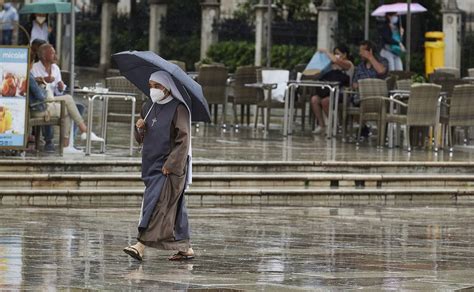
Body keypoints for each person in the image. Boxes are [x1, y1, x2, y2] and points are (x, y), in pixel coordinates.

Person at [123, 71, 195, 262]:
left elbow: (183, 140)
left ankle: (140, 246)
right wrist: (139, 128)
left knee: (156, 204)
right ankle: (185, 247)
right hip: (151, 163)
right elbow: (141, 139)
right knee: (175, 206)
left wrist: (171, 163)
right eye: (150, 86)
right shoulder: (148, 106)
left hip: (169, 166)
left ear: (166, 87)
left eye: (157, 86)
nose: (153, 90)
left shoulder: (179, 109)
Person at [30, 44, 104, 152]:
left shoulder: (56, 68)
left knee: (78, 107)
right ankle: (70, 140)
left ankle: (71, 141)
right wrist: (44, 81)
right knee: (67, 103)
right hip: (43, 102)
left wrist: (60, 86)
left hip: (55, 98)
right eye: (52, 53)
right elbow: (37, 92)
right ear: (44, 56)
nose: (55, 56)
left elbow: (59, 91)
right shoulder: (35, 69)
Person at [310, 45, 354, 135]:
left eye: (337, 54)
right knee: (314, 99)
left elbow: (336, 60)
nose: (335, 56)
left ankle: (334, 126)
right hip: (327, 91)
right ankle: (322, 125)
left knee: (326, 101)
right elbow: (315, 75)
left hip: (342, 93)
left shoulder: (348, 64)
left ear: (344, 55)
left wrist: (326, 51)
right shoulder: (330, 65)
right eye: (334, 54)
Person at [353, 40, 389, 138]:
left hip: (378, 96)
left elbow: (381, 71)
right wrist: (362, 86)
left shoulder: (383, 61)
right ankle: (364, 127)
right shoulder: (360, 66)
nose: (360, 53)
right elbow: (355, 83)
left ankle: (379, 131)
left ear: (370, 51)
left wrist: (370, 58)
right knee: (352, 100)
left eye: (362, 51)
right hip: (362, 96)